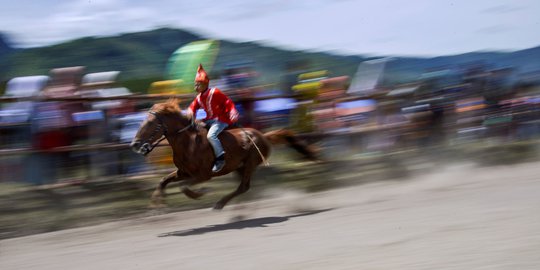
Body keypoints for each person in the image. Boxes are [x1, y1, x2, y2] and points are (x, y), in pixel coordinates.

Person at [187, 64, 239, 173]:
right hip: (209, 120)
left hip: (221, 120)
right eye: (195, 84)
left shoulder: (214, 92)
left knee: (211, 135)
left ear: (205, 84)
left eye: (198, 84)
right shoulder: (198, 98)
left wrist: (232, 111)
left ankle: (220, 159)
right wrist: (190, 111)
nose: (195, 87)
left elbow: (227, 102)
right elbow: (192, 107)